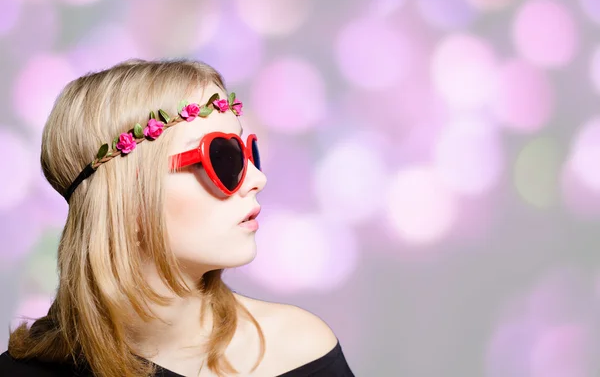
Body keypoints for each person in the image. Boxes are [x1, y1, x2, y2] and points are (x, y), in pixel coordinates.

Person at [0, 59, 355, 376]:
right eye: (223, 157)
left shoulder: (300, 350)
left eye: (249, 153)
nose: (257, 179)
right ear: (128, 196)